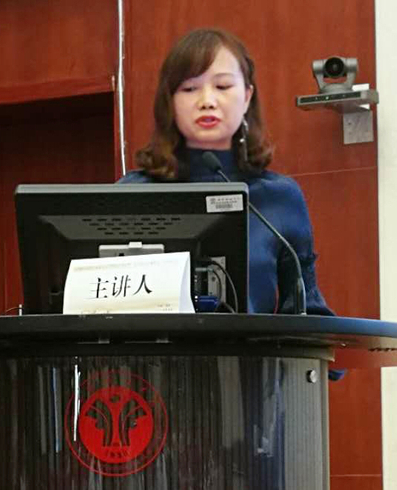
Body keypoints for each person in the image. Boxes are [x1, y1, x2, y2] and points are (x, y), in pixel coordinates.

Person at [119, 28, 337, 322]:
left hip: (254, 353)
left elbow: (305, 310)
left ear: (247, 97)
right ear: (169, 101)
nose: (207, 100)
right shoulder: (132, 193)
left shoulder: (280, 197)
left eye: (222, 86)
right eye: (189, 88)